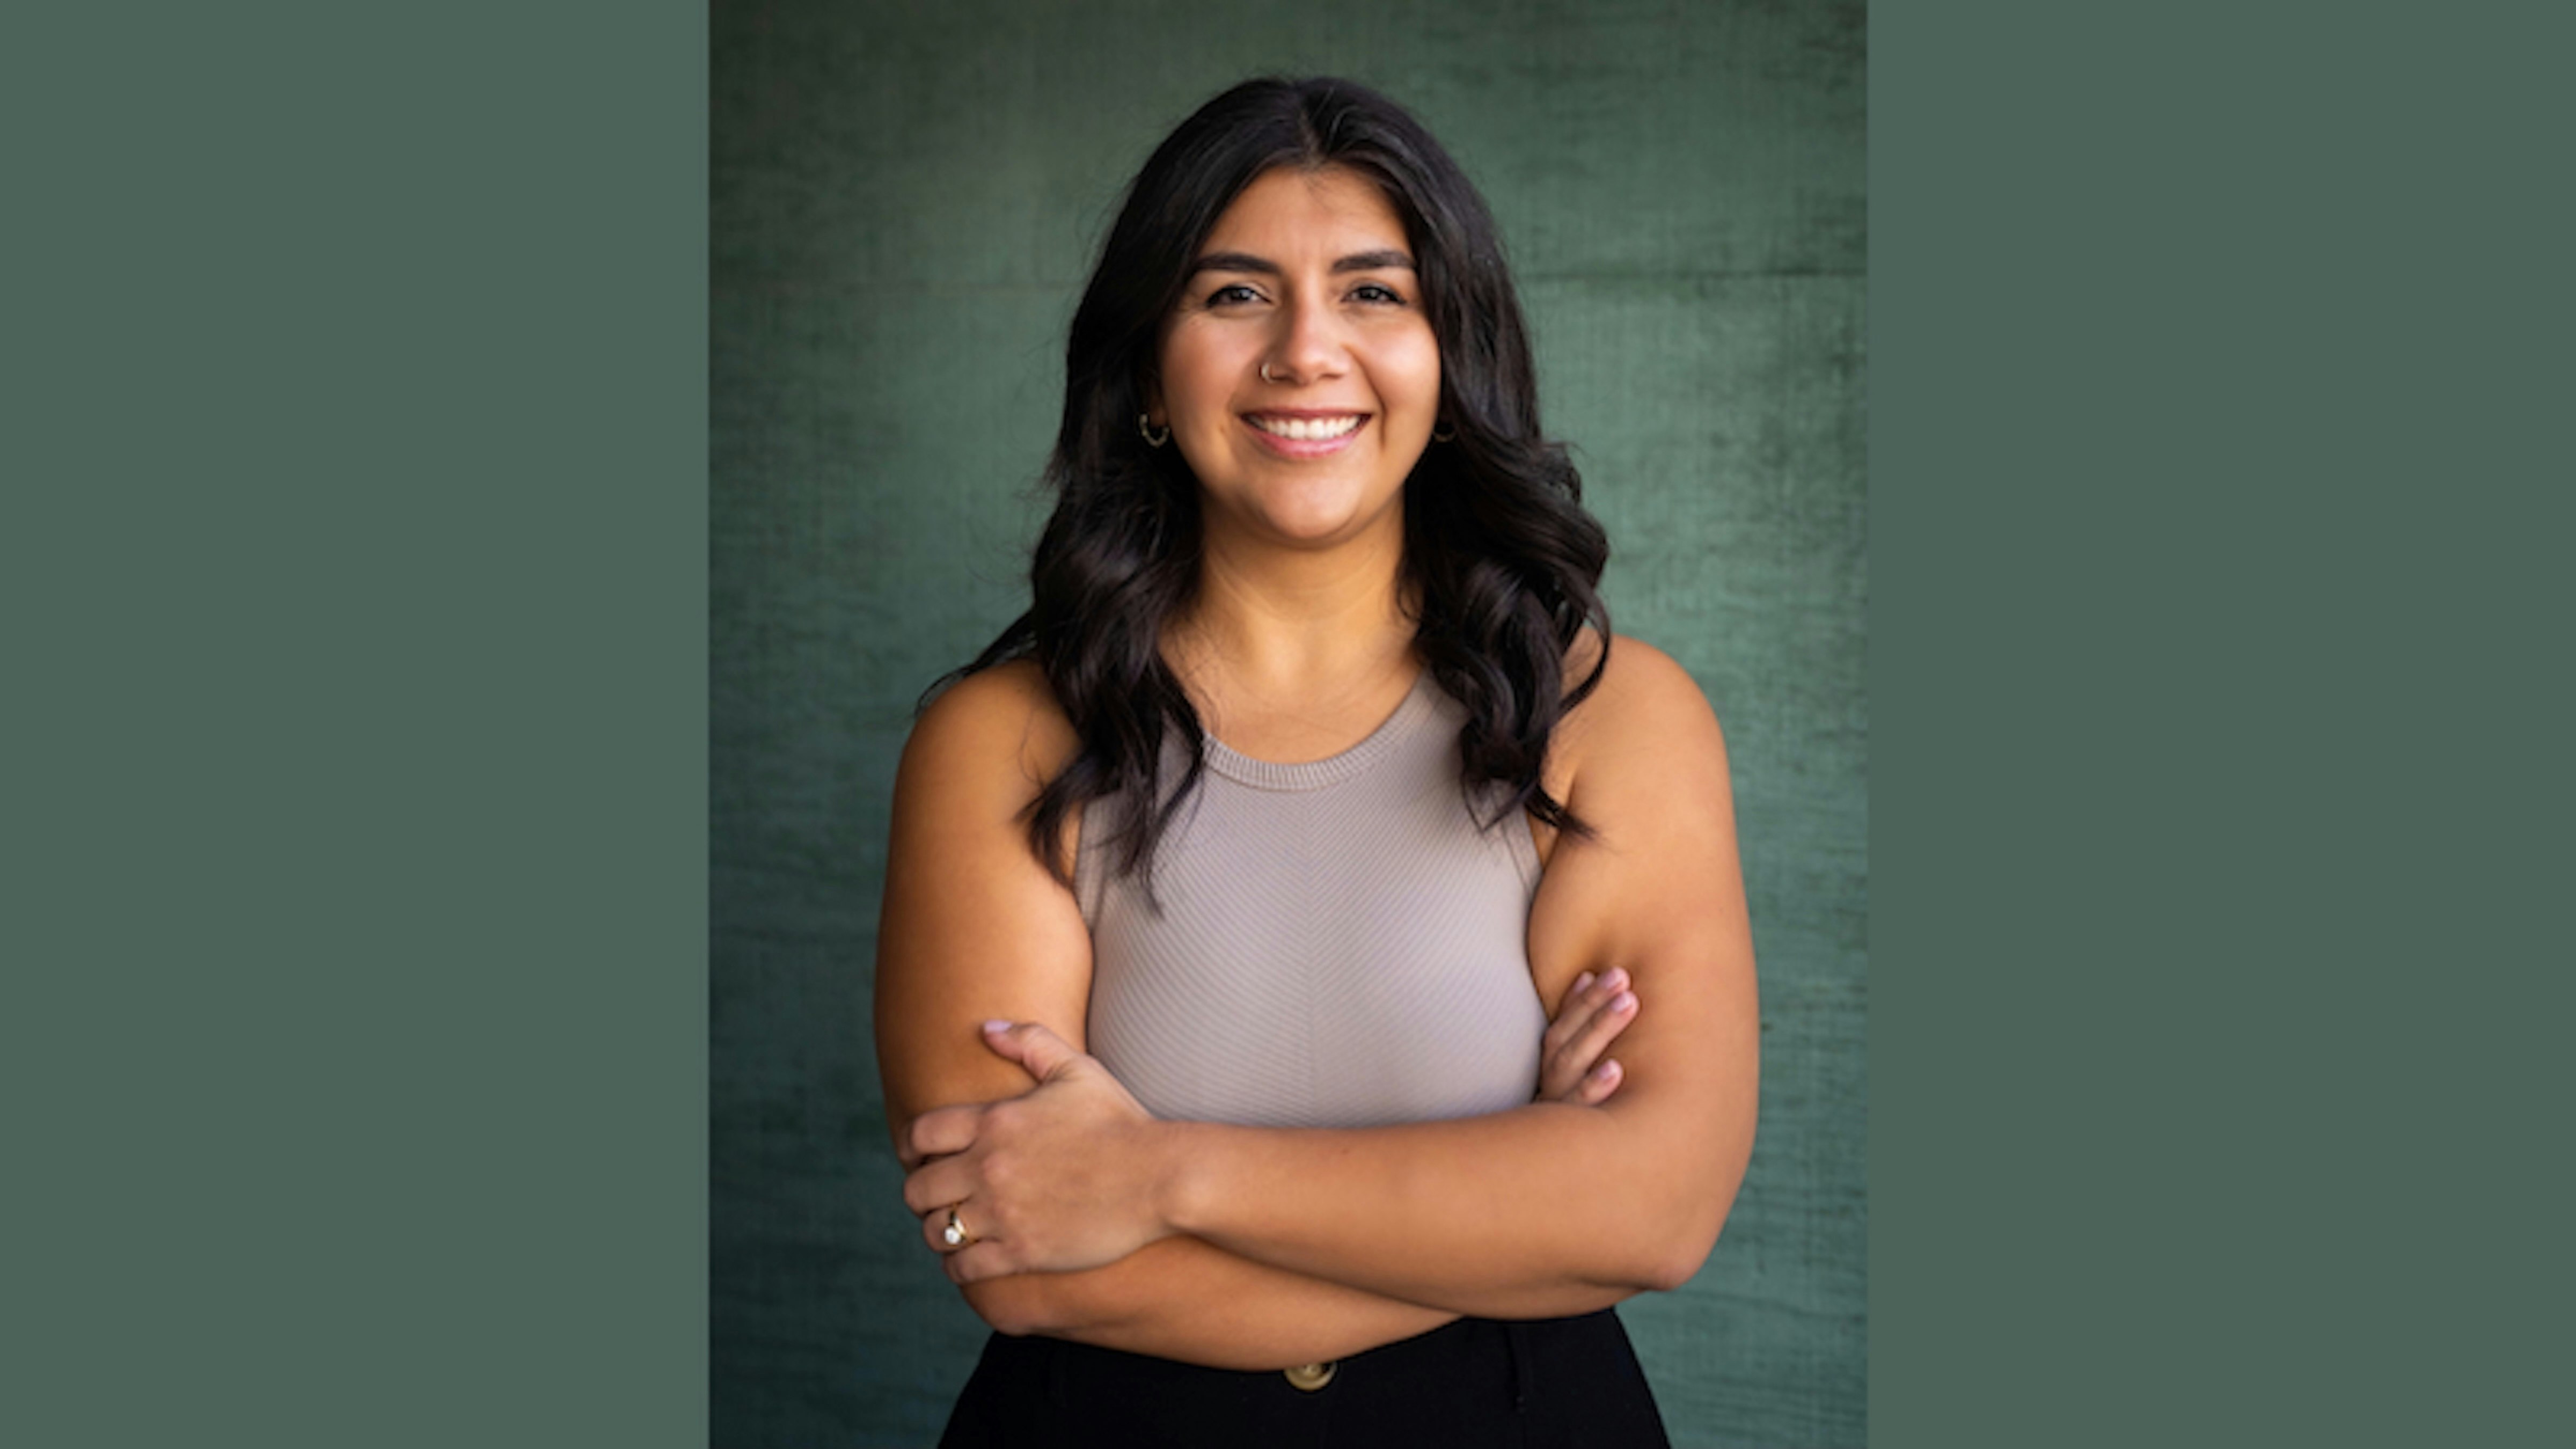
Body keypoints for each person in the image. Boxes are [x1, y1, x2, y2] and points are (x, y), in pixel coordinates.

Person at [874, 76, 1756, 1446]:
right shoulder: (997, 742)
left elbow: (1658, 1211)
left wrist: (1159, 1179)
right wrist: (1507, 1201)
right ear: (1151, 371)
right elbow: (1015, 1251)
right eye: (1234, 296)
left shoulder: (1611, 719)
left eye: (1372, 293)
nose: (1304, 353)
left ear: (1448, 363)